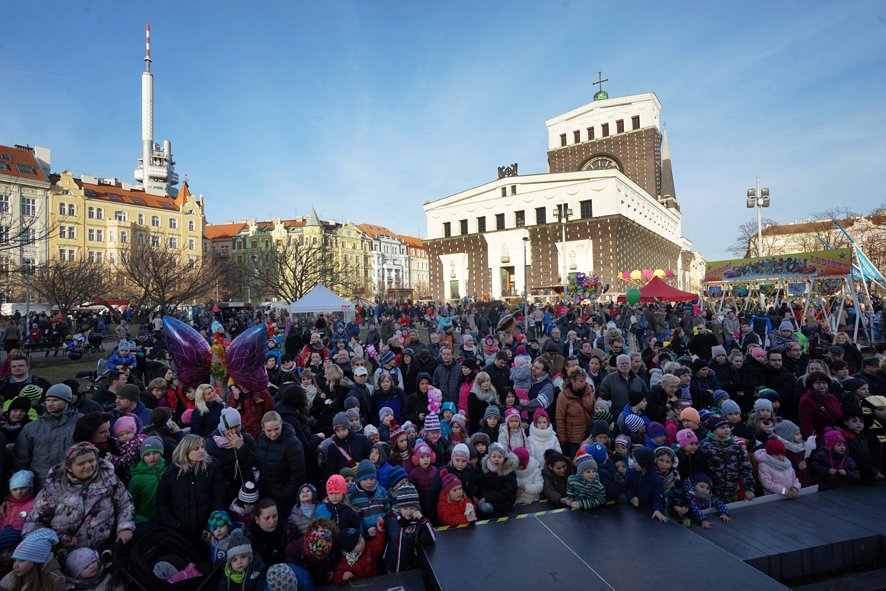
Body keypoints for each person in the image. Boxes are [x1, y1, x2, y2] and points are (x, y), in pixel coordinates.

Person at [23, 442, 135, 551]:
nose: (88, 466)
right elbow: (34, 524)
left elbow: (125, 503)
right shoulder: (54, 488)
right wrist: (56, 539)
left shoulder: (109, 479)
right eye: (81, 463)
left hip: (104, 550)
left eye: (91, 460)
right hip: (65, 555)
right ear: (69, 466)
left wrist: (124, 527)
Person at [157, 434, 227, 547]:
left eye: (202, 447)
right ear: (185, 450)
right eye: (196, 448)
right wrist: (175, 525)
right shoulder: (172, 472)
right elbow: (162, 503)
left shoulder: (212, 469)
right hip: (181, 533)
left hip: (207, 530)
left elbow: (219, 498)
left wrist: (211, 525)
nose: (201, 451)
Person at [14, 383, 81, 489]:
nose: (50, 404)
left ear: (67, 401)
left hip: (75, 485)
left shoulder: (82, 422)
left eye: (55, 400)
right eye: (48, 400)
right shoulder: (32, 427)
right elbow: (20, 460)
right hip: (41, 486)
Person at [255, 411, 305, 515]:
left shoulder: (292, 443)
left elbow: (298, 474)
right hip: (265, 491)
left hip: (283, 496)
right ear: (262, 428)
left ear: (281, 423)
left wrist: (284, 493)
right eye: (269, 430)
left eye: (276, 429)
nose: (273, 434)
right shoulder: (261, 438)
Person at [205, 408, 258, 502]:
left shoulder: (247, 438)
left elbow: (254, 463)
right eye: (229, 428)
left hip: (246, 488)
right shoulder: (211, 443)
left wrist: (241, 447)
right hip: (225, 490)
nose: (233, 431)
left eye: (237, 426)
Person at [381, 483, 435, 573]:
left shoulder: (418, 522)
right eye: (405, 508)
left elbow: (430, 539)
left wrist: (422, 520)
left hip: (409, 567)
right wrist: (379, 529)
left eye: (412, 508)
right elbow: (383, 538)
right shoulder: (391, 519)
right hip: (389, 565)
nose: (408, 512)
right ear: (399, 507)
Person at [0, 529, 64, 591]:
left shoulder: (55, 579)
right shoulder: (17, 574)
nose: (14, 566)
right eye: (15, 560)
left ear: (36, 560)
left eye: (22, 560)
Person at [127, 436, 166, 525]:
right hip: (144, 520)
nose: (152, 457)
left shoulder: (167, 469)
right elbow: (129, 504)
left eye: (155, 452)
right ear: (142, 457)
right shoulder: (137, 478)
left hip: (166, 517)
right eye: (147, 454)